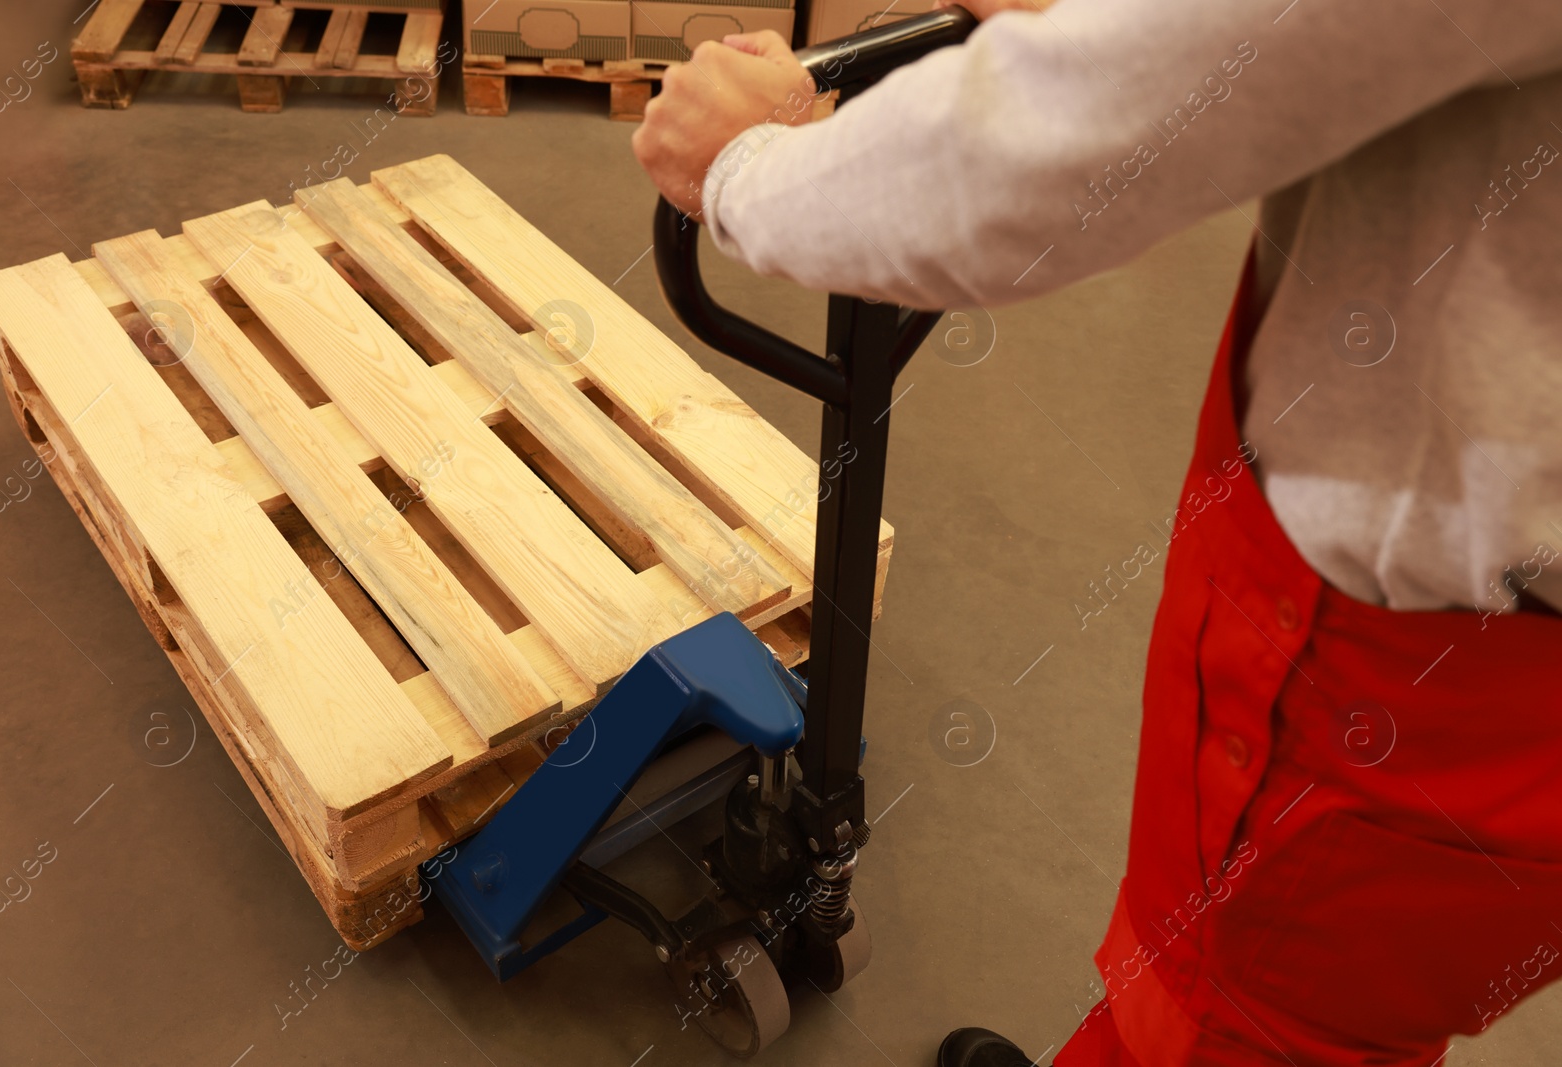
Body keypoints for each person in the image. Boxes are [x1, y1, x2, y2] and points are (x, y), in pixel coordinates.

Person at [633, 0, 1562, 1064]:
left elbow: (1101, 130)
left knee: (1239, 1016)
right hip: (1506, 637)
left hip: (1417, 670)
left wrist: (742, 165)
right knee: (1291, 1010)